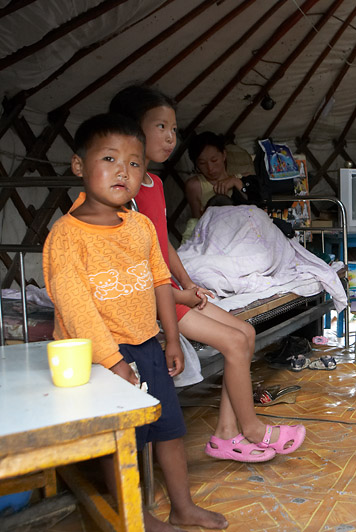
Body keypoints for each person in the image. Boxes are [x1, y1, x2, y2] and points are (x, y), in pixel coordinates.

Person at [42, 113, 229, 531]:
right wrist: (113, 363)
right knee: (123, 443)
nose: (122, 171)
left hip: (147, 346)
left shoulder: (140, 226)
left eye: (134, 163)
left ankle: (183, 507)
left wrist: (173, 339)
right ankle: (136, 517)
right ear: (79, 166)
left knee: (169, 430)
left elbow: (161, 281)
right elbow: (76, 310)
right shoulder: (67, 236)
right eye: (109, 159)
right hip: (99, 359)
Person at [109, 85, 305, 462]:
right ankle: (254, 430)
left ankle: (226, 435)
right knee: (233, 343)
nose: (170, 137)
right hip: (151, 299)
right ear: (132, 130)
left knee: (245, 332)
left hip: (169, 289)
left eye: (173, 129)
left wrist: (186, 282)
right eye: (160, 127)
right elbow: (134, 263)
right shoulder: (125, 191)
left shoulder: (151, 183)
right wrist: (178, 294)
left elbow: (163, 244)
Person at [185, 131, 245, 219]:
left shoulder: (242, 179)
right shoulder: (195, 186)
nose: (210, 168)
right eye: (202, 163)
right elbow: (197, 222)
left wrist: (235, 182)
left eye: (214, 160)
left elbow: (256, 208)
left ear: (224, 155)